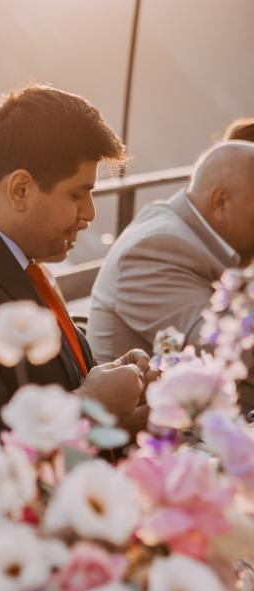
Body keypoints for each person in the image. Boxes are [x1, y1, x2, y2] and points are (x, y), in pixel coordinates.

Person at [0, 84, 150, 443]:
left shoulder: (16, 252)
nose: (89, 213)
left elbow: (45, 385)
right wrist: (89, 405)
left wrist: (114, 387)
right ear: (20, 189)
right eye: (77, 194)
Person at [88, 120, 254, 414]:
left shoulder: (192, 234)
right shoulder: (156, 249)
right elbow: (230, 354)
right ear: (220, 201)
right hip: (149, 445)